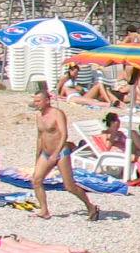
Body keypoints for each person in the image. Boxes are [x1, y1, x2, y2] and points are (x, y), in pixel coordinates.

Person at [30, 90, 99, 221]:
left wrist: (56, 153)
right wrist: (37, 156)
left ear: (47, 101)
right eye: (35, 101)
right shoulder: (38, 116)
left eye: (38, 101)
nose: (36, 103)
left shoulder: (57, 114)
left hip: (61, 152)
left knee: (69, 186)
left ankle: (90, 206)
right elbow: (40, 137)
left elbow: (64, 134)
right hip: (46, 153)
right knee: (36, 180)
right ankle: (44, 210)